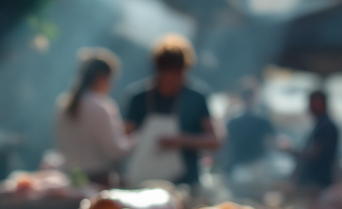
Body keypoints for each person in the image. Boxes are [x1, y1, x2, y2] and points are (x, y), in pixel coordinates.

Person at [124, 34, 220, 186]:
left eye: (177, 74)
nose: (172, 80)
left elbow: (215, 140)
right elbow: (125, 137)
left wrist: (181, 140)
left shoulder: (196, 98)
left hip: (184, 182)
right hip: (142, 180)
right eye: (167, 74)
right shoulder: (139, 98)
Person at [55, 48, 132, 186]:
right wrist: (139, 138)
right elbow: (115, 151)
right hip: (98, 181)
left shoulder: (63, 104)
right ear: (101, 77)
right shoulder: (101, 106)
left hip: (71, 179)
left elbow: (61, 147)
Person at [225, 83, 275, 199]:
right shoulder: (261, 120)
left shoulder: (234, 120)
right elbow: (271, 143)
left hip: (253, 165)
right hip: (246, 166)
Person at [293, 90, 339, 190]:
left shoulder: (326, 127)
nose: (309, 107)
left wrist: (290, 150)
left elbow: (313, 153)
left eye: (312, 103)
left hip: (318, 183)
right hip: (312, 182)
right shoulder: (319, 125)